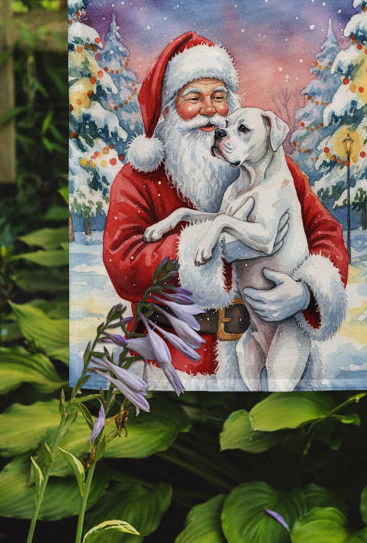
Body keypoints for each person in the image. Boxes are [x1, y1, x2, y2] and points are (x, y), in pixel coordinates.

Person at [102, 30, 348, 386]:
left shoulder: (272, 167)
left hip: (274, 350)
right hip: (173, 361)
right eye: (193, 98)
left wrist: (307, 291)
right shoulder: (138, 179)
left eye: (219, 97)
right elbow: (123, 262)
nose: (209, 111)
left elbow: (325, 233)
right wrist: (202, 249)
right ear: (169, 109)